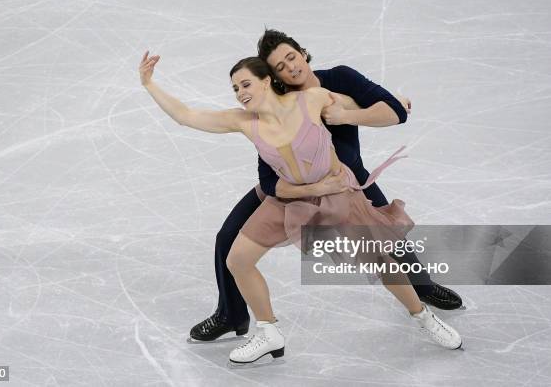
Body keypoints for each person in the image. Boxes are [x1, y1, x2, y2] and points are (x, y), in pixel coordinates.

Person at [140, 52, 463, 364]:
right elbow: (186, 116)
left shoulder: (310, 99)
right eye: (236, 88)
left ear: (267, 81)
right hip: (288, 200)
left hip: (338, 194)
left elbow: (354, 105)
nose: (240, 93)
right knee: (238, 258)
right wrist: (149, 84)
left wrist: (394, 99)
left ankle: (424, 318)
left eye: (246, 84)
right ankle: (268, 332)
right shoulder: (243, 121)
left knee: (382, 262)